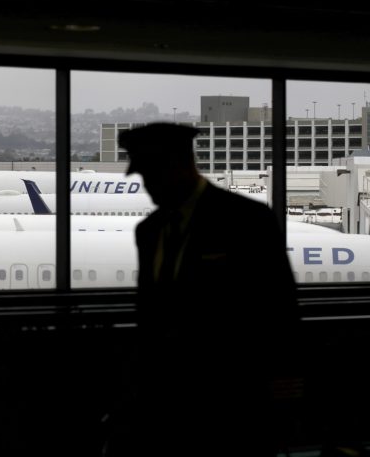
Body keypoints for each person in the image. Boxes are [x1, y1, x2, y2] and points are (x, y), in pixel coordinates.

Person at [103, 122, 299, 456]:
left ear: (180, 165)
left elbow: (280, 309)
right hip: (166, 400)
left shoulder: (246, 220)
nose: (147, 186)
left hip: (230, 397)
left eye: (152, 174)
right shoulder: (149, 231)